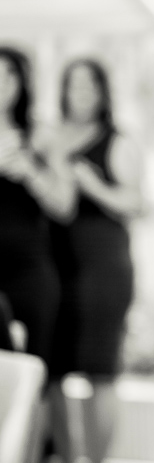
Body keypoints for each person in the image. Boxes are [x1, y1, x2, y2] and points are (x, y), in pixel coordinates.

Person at [44, 58, 142, 463]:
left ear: (103, 92)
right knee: (55, 375)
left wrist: (90, 183)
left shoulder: (119, 142)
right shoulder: (47, 138)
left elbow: (134, 203)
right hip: (53, 272)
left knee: (100, 375)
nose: (80, 93)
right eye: (72, 84)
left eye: (89, 85)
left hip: (104, 270)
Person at [0, 47, 71, 367]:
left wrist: (30, 172)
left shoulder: (41, 135)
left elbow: (65, 206)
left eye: (10, 74)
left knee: (33, 373)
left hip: (29, 269)